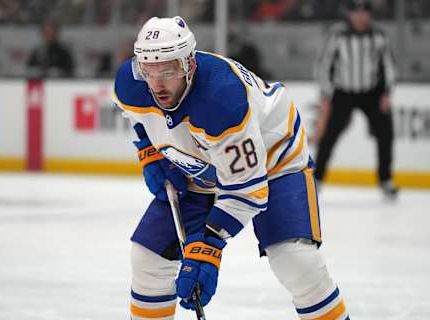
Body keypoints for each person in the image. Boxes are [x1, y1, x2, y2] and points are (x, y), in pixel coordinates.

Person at [113, 16, 350, 320]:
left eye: (168, 70)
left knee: (294, 260)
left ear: (189, 64)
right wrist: (149, 153)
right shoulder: (132, 83)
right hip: (200, 165)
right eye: (149, 70)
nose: (156, 84)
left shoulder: (222, 99)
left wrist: (209, 245)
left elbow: (247, 189)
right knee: (149, 258)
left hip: (273, 160)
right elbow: (137, 118)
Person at [313, 0, 398, 198]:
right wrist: (326, 94)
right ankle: (318, 178)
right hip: (344, 92)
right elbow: (323, 64)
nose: (360, 16)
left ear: (370, 15)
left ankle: (385, 179)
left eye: (364, 12)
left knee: (385, 134)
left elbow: (389, 65)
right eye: (356, 12)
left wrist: (386, 92)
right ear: (350, 14)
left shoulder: (379, 36)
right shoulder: (337, 35)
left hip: (373, 92)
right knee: (329, 136)